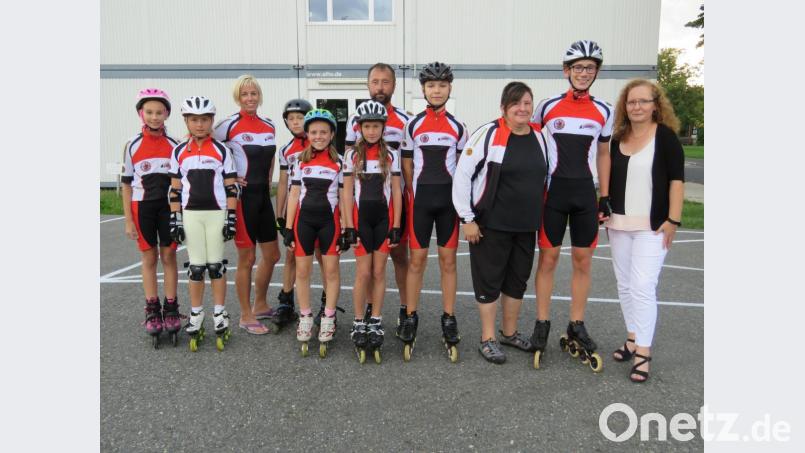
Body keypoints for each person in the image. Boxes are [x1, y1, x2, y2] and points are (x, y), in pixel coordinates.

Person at [530, 40, 613, 372]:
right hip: (552, 193)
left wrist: (604, 196)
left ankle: (576, 324)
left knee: (582, 261)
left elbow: (604, 154)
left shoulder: (604, 110)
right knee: (548, 259)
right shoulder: (547, 106)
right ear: (566, 71)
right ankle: (542, 323)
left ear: (596, 72)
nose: (583, 73)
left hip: (584, 195)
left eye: (590, 68)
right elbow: (532, 148)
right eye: (578, 67)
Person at [453, 82, 548, 364]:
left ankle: (509, 332)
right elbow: (462, 176)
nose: (522, 108)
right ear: (504, 108)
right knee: (489, 282)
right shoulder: (489, 134)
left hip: (525, 226)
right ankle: (488, 338)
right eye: (515, 103)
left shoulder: (540, 137)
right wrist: (467, 219)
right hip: (490, 224)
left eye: (527, 103)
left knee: (517, 282)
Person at [606, 79, 684, 383]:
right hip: (619, 224)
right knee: (624, 285)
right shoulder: (616, 139)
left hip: (652, 227)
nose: (636, 106)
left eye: (643, 101)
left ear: (656, 105)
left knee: (642, 285)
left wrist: (673, 221)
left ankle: (643, 353)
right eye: (631, 102)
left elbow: (676, 181)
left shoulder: (664, 138)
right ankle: (632, 337)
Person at [399, 62, 468, 363]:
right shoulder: (413, 125)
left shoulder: (459, 127)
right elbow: (407, 166)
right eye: (431, 85)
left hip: (448, 204)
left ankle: (449, 317)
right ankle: (411, 315)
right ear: (423, 90)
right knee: (417, 261)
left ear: (449, 88)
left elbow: (464, 170)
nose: (436, 90)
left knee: (448, 261)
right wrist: (412, 195)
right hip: (421, 203)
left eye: (441, 85)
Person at [168, 96, 238, 352]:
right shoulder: (178, 152)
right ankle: (196, 313)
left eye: (205, 119)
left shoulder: (221, 150)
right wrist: (175, 219)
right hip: (191, 214)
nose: (200, 124)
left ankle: (220, 313)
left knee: (216, 267)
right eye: (194, 119)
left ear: (211, 121)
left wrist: (231, 218)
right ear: (186, 121)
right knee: (196, 268)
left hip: (216, 212)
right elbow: (174, 191)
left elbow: (232, 188)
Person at [344, 63, 411, 329]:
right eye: (375, 82)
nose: (380, 87)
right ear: (368, 84)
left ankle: (406, 309)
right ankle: (367, 312)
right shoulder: (354, 120)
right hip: (363, 206)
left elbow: (407, 165)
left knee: (399, 259)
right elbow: (348, 177)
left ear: (393, 85)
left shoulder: (406, 119)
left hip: (392, 205)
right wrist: (346, 222)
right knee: (366, 270)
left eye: (385, 82)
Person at [212, 75, 279, 335]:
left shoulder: (269, 125)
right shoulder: (228, 125)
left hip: (264, 196)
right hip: (243, 199)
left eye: (253, 93)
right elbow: (203, 146)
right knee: (247, 258)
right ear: (237, 97)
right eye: (244, 94)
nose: (250, 98)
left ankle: (260, 304)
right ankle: (245, 314)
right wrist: (225, 178)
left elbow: (270, 160)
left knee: (273, 255)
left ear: (259, 96)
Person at [282, 109, 346, 358]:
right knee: (302, 272)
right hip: (303, 223)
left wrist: (347, 229)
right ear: (307, 134)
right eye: (314, 132)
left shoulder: (340, 161)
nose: (318, 136)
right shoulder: (299, 160)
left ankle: (328, 317)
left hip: (330, 223)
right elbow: (294, 195)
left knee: (331, 272)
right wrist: (288, 228)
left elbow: (344, 197)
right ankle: (306, 316)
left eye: (323, 132)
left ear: (331, 135)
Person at [342, 100, 403, 364]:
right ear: (359, 128)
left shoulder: (391, 154)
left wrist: (397, 224)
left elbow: (397, 191)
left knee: (379, 272)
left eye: (376, 126)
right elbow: (345, 193)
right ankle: (358, 321)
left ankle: (375, 319)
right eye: (366, 126)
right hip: (360, 221)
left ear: (383, 127)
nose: (371, 131)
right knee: (363, 273)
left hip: (383, 220)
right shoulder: (351, 155)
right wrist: (348, 226)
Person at [121, 88, 181, 348]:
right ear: (141, 114)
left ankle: (170, 306)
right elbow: (125, 184)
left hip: (168, 208)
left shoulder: (176, 145)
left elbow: (182, 183)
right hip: (142, 207)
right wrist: (127, 220)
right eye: (149, 112)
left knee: (169, 256)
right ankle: (152, 308)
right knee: (149, 258)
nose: (155, 117)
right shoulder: (131, 145)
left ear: (167, 114)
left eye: (159, 112)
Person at [273, 98, 323, 331]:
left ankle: (325, 300)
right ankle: (286, 300)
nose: (295, 122)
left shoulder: (319, 144)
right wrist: (280, 215)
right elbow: (283, 184)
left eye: (300, 117)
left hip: (320, 208)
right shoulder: (285, 151)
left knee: (324, 257)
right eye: (291, 118)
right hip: (297, 210)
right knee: (291, 256)